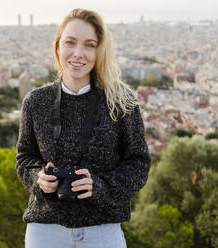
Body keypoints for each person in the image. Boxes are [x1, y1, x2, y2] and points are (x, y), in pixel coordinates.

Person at [16, 8, 151, 248]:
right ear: (58, 47)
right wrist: (38, 180)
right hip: (45, 231)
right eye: (70, 43)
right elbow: (25, 158)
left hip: (102, 230)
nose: (78, 53)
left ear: (99, 51)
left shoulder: (121, 102)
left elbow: (139, 163)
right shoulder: (36, 102)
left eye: (89, 45)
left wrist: (98, 186)